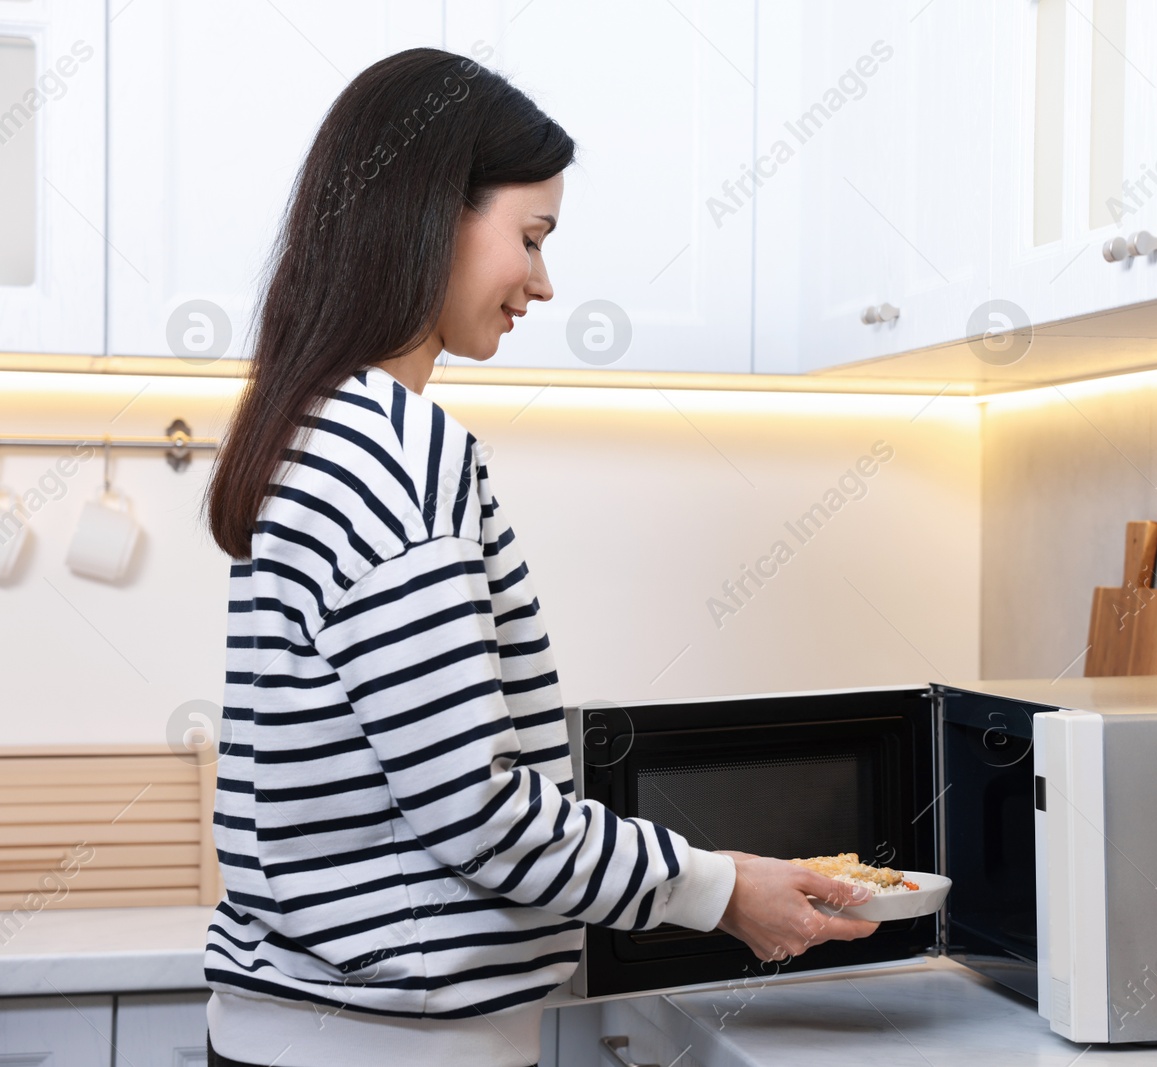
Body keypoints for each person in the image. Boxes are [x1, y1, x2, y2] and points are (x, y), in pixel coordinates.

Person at [199, 47, 877, 1067]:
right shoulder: (394, 451)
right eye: (530, 235)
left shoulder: (313, 426)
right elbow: (478, 809)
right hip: (391, 1046)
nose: (542, 282)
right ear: (433, 215)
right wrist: (721, 887)